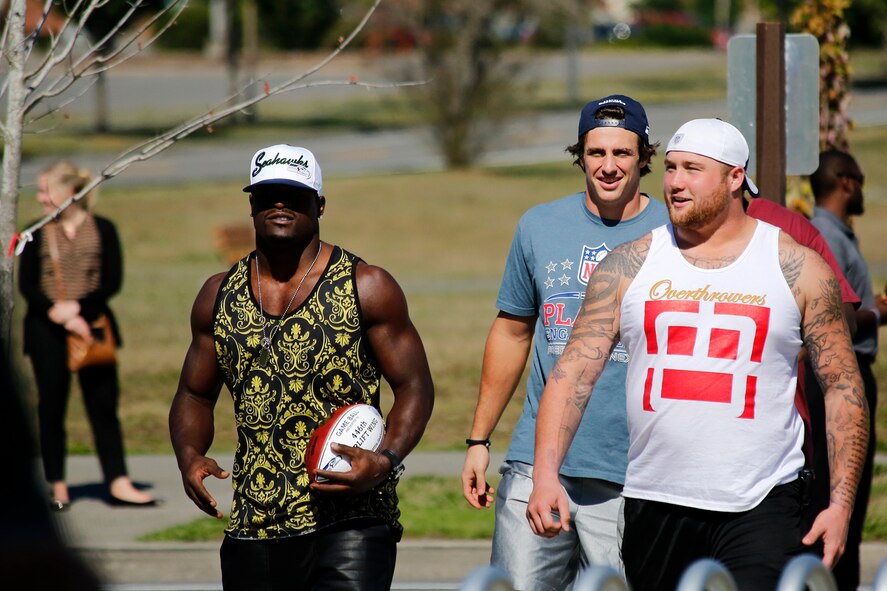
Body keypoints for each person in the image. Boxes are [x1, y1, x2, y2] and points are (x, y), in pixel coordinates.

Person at [527, 119, 869, 590]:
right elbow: (573, 373)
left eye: (692, 168)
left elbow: (842, 388)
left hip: (763, 502)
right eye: (669, 168)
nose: (675, 182)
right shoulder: (629, 264)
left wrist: (841, 505)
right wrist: (545, 474)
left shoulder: (797, 267)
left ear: (734, 178)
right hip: (654, 500)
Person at [169, 144, 434, 590]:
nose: (279, 205)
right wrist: (189, 456)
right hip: (254, 522)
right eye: (268, 194)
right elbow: (194, 394)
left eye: (293, 196)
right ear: (251, 203)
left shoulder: (366, 286)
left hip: (350, 521)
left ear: (320, 205)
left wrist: (385, 460)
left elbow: (414, 387)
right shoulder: (218, 295)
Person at [461, 94, 668, 589]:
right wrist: (478, 440)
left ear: (644, 155)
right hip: (537, 462)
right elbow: (512, 331)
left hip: (630, 470)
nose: (609, 166)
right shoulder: (539, 225)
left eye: (623, 153)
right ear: (580, 155)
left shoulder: (671, 234)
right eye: (596, 153)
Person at [18, 160, 157, 511]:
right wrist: (61, 314)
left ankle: (118, 481)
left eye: (46, 190)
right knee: (51, 408)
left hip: (93, 327)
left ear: (69, 193)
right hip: (45, 329)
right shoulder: (34, 231)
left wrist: (79, 309)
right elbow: (28, 285)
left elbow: (112, 280)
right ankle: (56, 485)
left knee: (104, 407)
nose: (40, 198)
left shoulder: (103, 229)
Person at [810, 149, 886, 591]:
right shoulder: (828, 237)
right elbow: (834, 313)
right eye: (859, 176)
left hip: (857, 366)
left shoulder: (840, 234)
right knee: (842, 494)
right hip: (845, 368)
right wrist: (876, 315)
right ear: (846, 181)